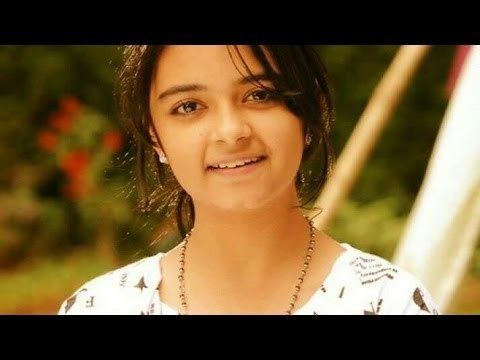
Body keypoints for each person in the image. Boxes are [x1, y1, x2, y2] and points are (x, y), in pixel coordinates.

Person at [58, 45, 439, 315]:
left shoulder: (389, 302)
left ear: (307, 113)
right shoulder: (103, 307)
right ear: (155, 135)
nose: (231, 131)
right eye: (189, 106)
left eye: (259, 95)